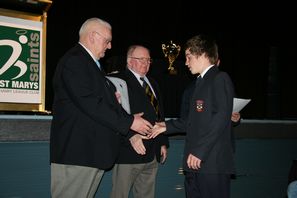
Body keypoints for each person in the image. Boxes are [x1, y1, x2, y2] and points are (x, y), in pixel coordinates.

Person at [50, 18, 153, 198]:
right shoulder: (75, 61)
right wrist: (130, 122)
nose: (110, 46)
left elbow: (96, 103)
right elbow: (90, 103)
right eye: (107, 40)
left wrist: (116, 104)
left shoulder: (90, 65)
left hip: (90, 154)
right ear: (92, 37)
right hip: (79, 154)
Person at [150, 34, 235, 198]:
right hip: (194, 162)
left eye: (188, 57)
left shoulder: (219, 78)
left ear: (202, 54)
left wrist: (200, 152)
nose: (186, 63)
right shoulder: (200, 83)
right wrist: (165, 126)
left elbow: (221, 119)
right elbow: (191, 121)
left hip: (211, 163)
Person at [108, 45, 169, 198]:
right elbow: (113, 114)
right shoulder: (117, 80)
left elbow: (159, 115)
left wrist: (162, 142)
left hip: (152, 152)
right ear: (129, 61)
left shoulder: (153, 83)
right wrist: (131, 135)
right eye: (141, 59)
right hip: (128, 151)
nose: (146, 63)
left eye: (148, 60)